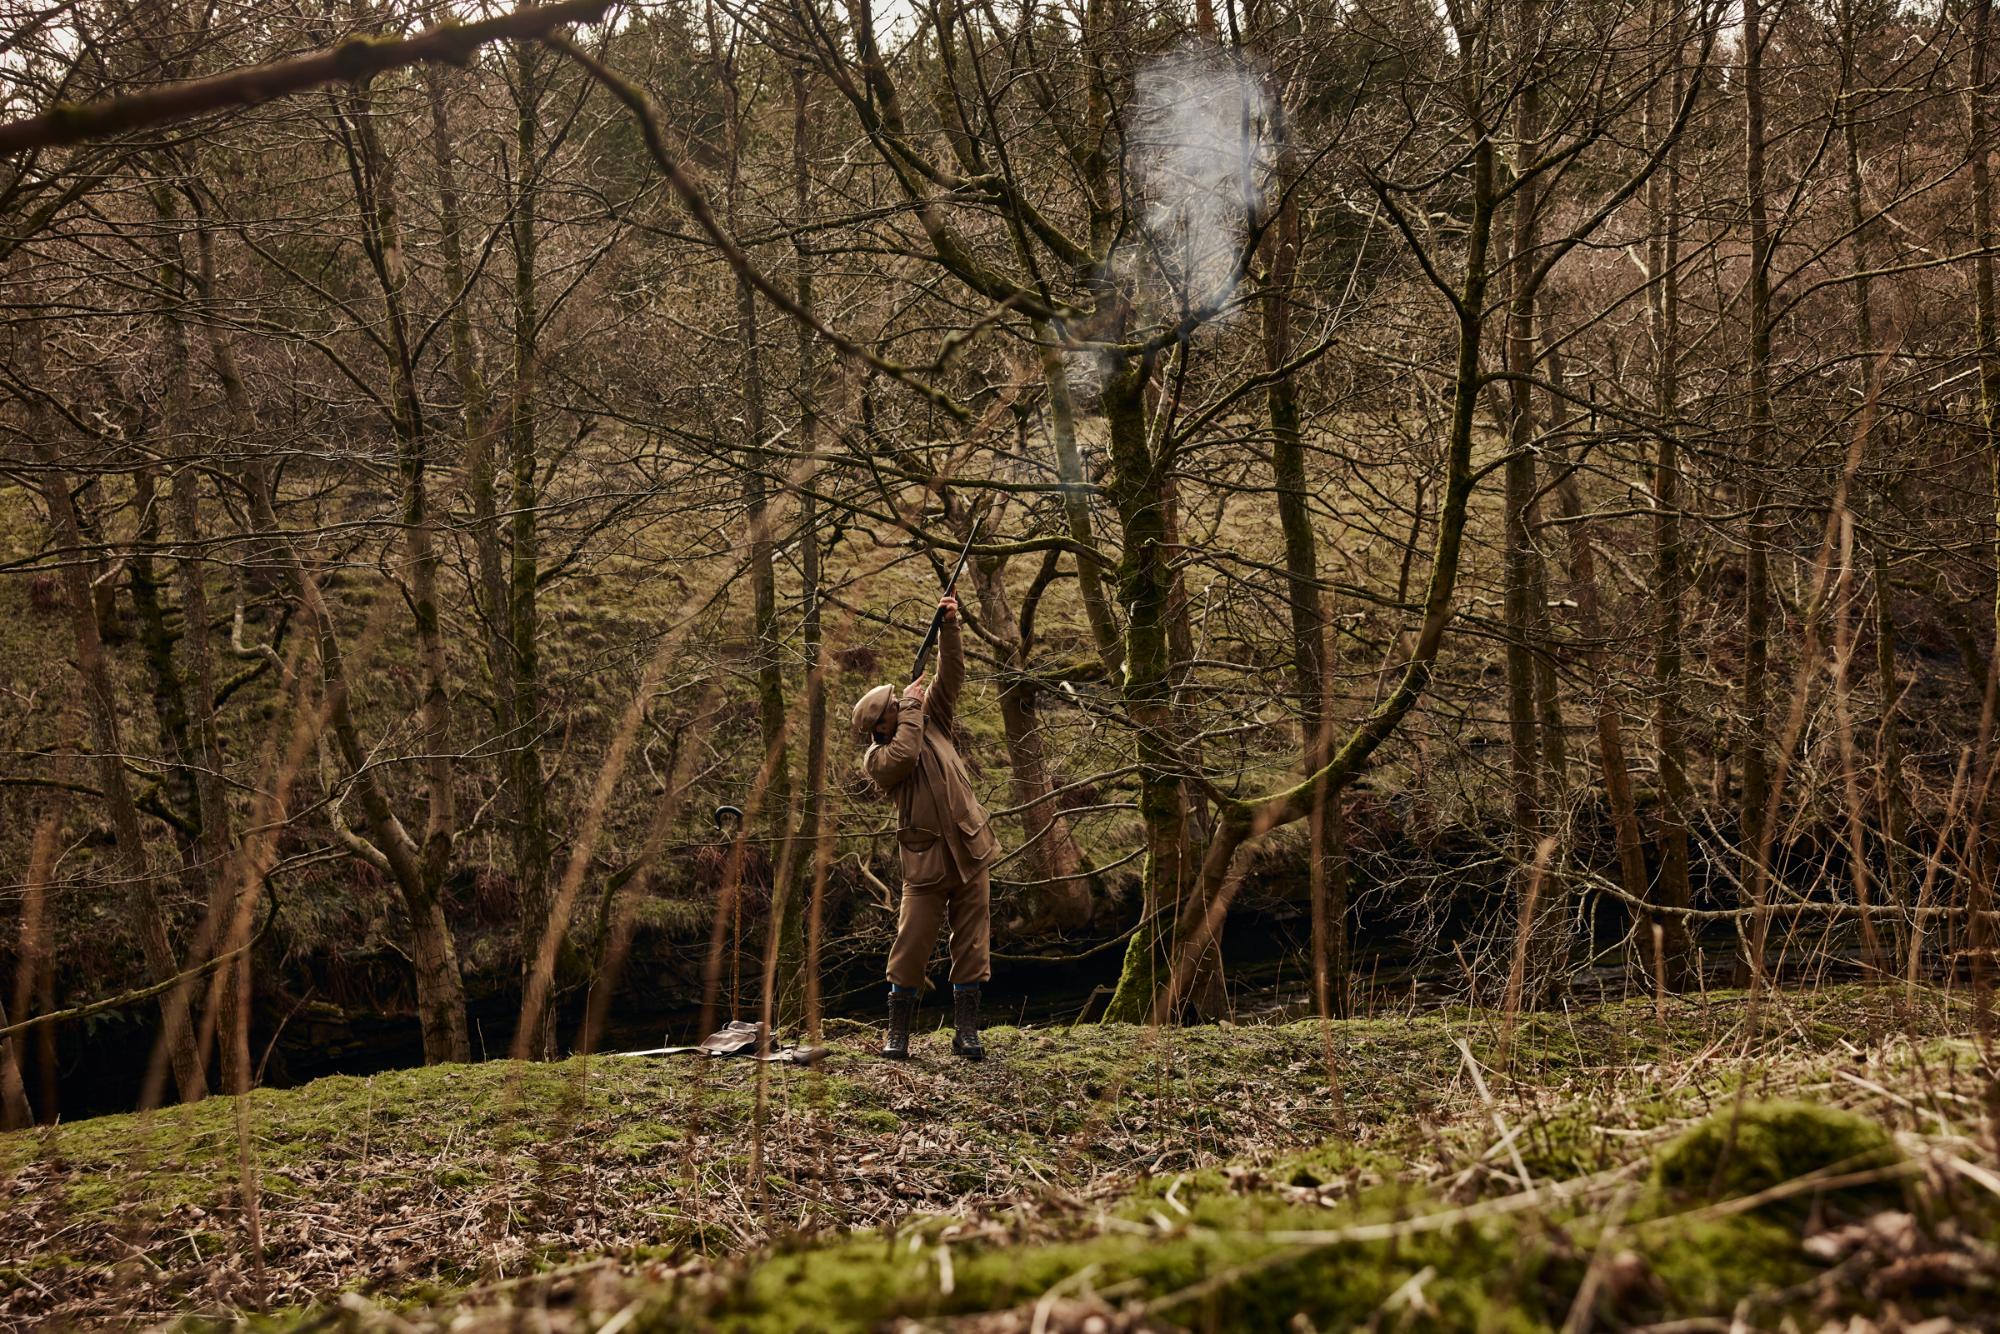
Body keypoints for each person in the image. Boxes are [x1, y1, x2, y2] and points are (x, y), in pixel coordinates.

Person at [850, 595, 998, 1060]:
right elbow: (906, 754)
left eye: (901, 699)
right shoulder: (880, 759)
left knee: (973, 944)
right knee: (910, 948)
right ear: (882, 724)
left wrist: (950, 628)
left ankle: (967, 1032)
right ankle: (898, 1035)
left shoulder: (929, 720)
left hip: (971, 851)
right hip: (926, 864)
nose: (904, 700)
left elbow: (949, 676)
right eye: (895, 703)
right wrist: (913, 708)